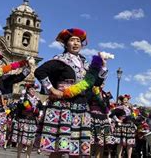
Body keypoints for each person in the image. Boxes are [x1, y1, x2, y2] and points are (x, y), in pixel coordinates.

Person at [34, 28, 108, 157]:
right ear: (65, 44)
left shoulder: (85, 64)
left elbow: (95, 83)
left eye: (78, 41)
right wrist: (52, 89)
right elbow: (39, 72)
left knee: (78, 149)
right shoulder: (60, 60)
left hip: (82, 108)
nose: (75, 43)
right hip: (63, 107)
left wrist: (103, 67)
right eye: (72, 40)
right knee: (59, 148)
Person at [12, 83, 40, 158]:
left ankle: (28, 156)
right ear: (28, 90)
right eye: (31, 89)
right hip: (23, 120)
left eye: (34, 89)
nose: (33, 90)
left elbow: (39, 110)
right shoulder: (24, 98)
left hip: (32, 121)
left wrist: (37, 111)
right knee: (21, 140)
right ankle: (18, 156)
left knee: (31, 141)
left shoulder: (38, 100)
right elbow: (19, 107)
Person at [89, 83, 114, 158]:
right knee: (91, 142)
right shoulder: (91, 92)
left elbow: (108, 109)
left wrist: (109, 121)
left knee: (101, 143)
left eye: (104, 81)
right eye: (101, 81)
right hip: (92, 118)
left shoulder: (105, 94)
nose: (103, 83)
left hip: (103, 119)